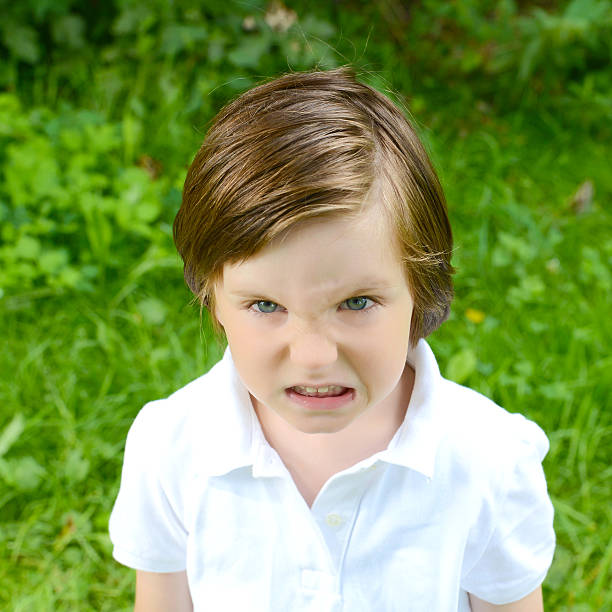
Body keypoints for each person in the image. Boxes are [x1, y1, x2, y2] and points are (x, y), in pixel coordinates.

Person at [109, 67, 555, 611]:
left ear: (422, 285)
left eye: (356, 303)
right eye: (266, 306)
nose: (315, 356)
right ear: (213, 297)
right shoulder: (171, 447)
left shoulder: (488, 461)